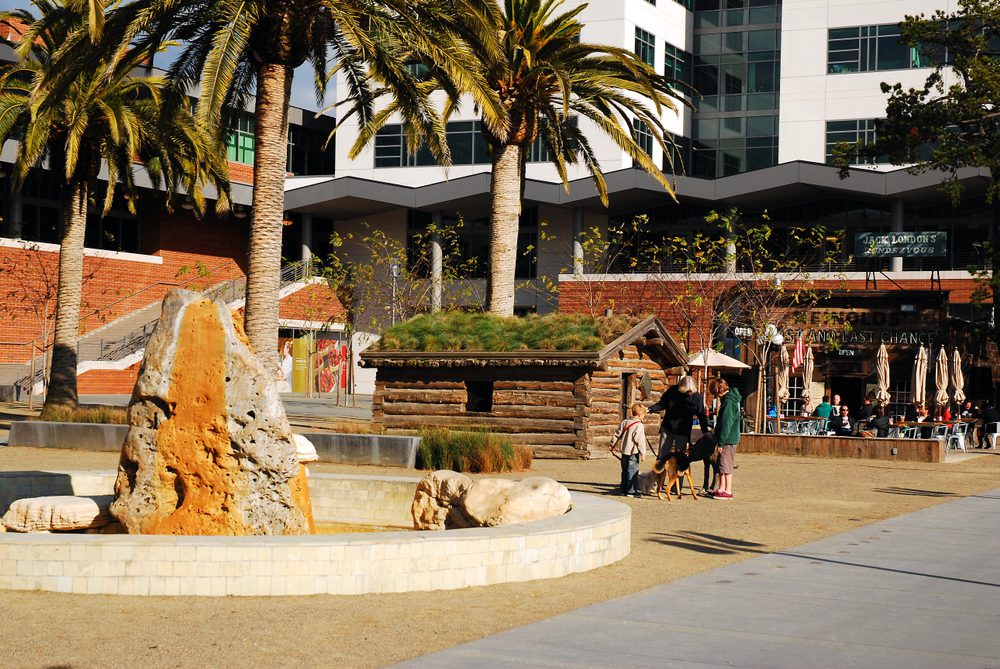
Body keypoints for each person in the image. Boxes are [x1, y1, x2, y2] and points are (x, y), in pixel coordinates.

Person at [648, 375, 709, 470]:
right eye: (687, 391)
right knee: (662, 456)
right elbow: (662, 404)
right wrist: (651, 409)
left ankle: (677, 484)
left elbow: (701, 415)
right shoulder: (672, 391)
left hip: (683, 431)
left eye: (691, 391)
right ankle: (657, 482)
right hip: (668, 428)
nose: (689, 393)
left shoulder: (697, 397)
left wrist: (705, 430)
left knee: (680, 459)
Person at [710, 378, 741, 500]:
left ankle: (728, 491)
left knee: (726, 465)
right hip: (727, 438)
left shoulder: (728, 402)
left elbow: (726, 423)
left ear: (718, 390)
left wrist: (721, 442)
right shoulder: (729, 400)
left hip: (728, 439)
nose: (715, 396)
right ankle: (721, 488)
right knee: (722, 464)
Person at [611, 403, 649, 497]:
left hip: (624, 451)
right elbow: (640, 440)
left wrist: (612, 445)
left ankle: (623, 489)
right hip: (633, 452)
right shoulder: (639, 425)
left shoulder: (625, 422)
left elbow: (617, 434)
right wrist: (643, 453)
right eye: (644, 415)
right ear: (640, 414)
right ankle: (631, 491)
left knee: (624, 470)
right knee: (632, 471)